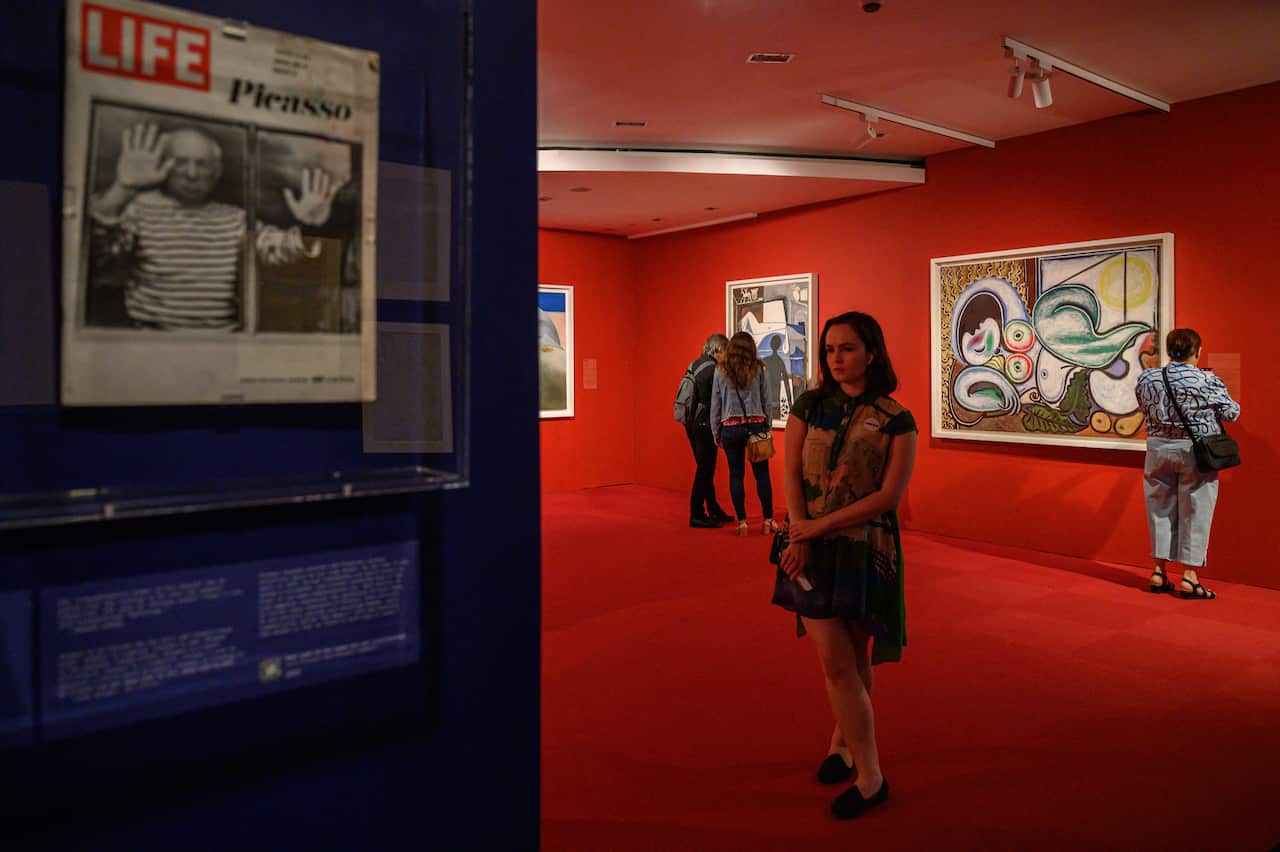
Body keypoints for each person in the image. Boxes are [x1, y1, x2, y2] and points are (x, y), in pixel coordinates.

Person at [772, 311, 917, 820]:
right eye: (830, 350)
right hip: (808, 546)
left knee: (854, 659)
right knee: (835, 661)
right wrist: (802, 531)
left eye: (847, 349)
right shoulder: (809, 406)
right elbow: (788, 469)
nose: (836, 358)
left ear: (871, 352)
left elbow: (888, 495)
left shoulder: (896, 417)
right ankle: (871, 775)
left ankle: (845, 747)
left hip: (863, 546)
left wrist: (818, 527)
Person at [90, 121, 345, 330]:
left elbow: (283, 251)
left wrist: (313, 227)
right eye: (180, 162)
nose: (191, 173)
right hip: (152, 346)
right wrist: (122, 190)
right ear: (162, 165)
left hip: (224, 346)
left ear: (217, 171)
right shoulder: (138, 211)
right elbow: (97, 258)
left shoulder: (235, 219)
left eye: (202, 164)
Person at [1134, 328, 1240, 600]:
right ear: (1197, 351)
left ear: (1170, 351)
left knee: (1158, 508)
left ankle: (1158, 572)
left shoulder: (1148, 377)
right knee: (1196, 509)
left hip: (1157, 448)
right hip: (1194, 451)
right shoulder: (1207, 381)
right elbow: (1232, 412)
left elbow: (1142, 407)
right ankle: (1190, 578)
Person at [710, 331, 777, 536]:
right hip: (756, 425)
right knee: (762, 474)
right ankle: (768, 520)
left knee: (736, 474)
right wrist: (768, 425)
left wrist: (716, 430)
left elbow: (716, 403)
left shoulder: (721, 370)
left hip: (730, 427)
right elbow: (767, 400)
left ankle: (742, 523)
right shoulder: (759, 369)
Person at [685, 334, 733, 528]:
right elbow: (714, 402)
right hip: (704, 425)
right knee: (705, 469)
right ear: (716, 350)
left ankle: (712, 508)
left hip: (690, 423)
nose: (727, 357)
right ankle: (696, 513)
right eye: (725, 352)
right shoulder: (713, 370)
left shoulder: (695, 364)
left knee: (704, 468)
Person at [763, 333, 794, 421]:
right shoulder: (779, 362)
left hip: (769, 403)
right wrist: (790, 404)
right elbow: (787, 384)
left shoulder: (766, 361)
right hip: (771, 403)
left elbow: (787, 384)